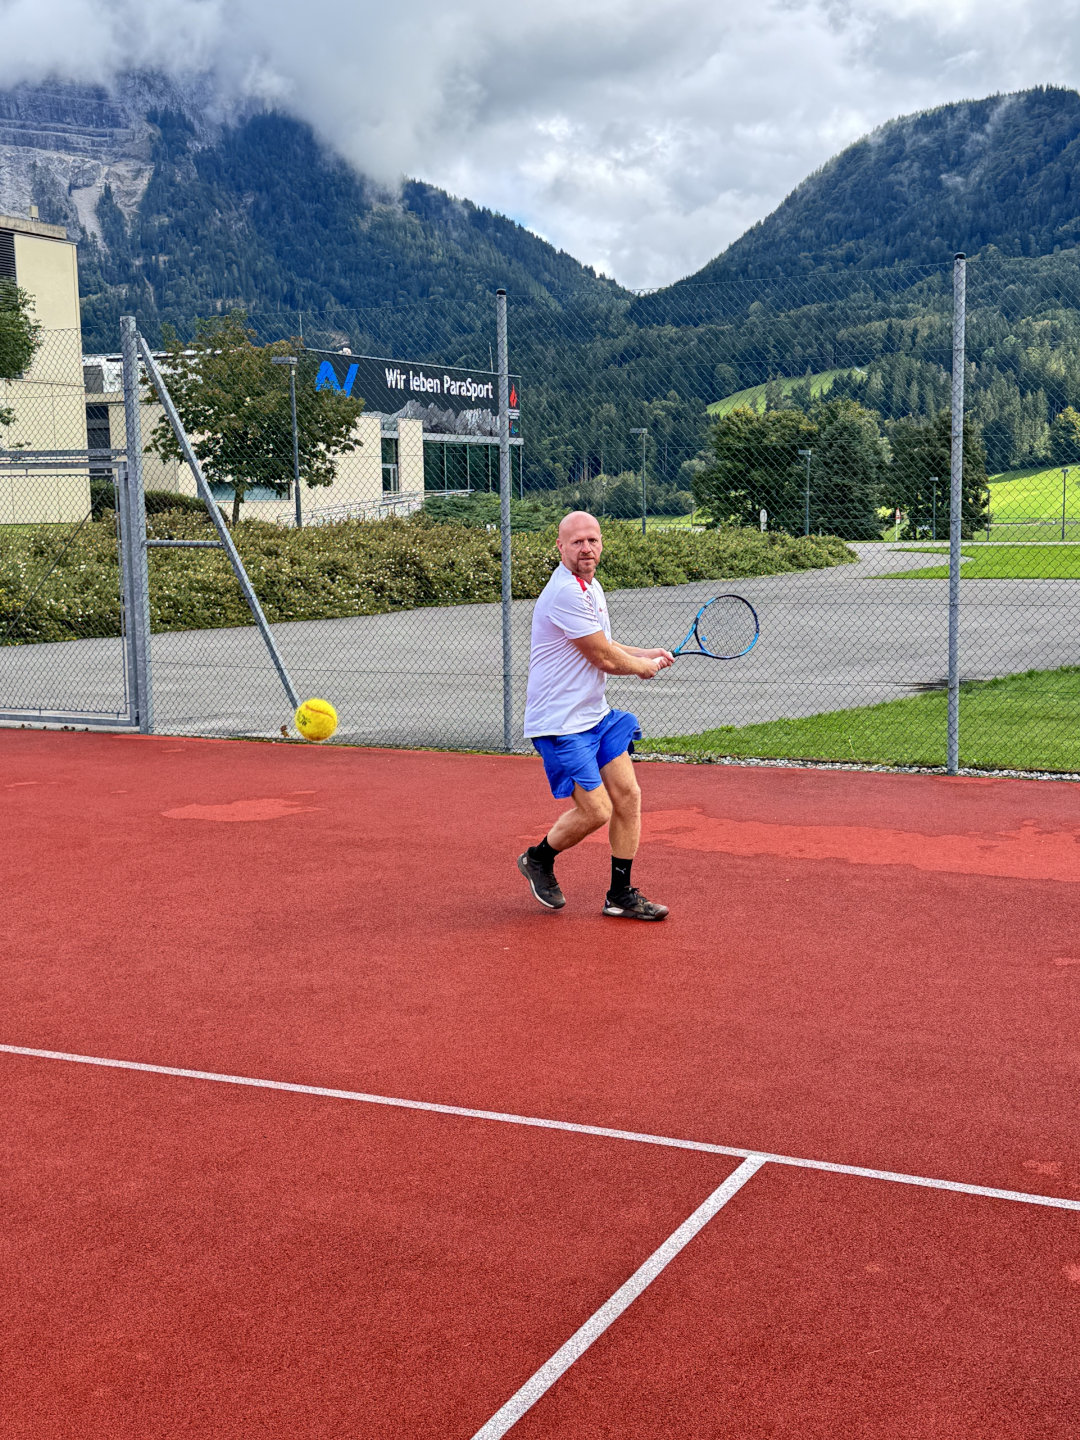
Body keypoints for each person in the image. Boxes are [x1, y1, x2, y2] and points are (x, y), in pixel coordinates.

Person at [517, 510, 674, 920]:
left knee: (628, 797)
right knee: (597, 810)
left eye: (593, 540)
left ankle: (619, 895)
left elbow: (604, 640)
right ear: (560, 546)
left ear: (601, 543)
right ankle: (538, 858)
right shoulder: (564, 592)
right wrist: (640, 668)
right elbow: (602, 656)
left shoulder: (591, 587)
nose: (586, 548)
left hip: (595, 716)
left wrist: (644, 653)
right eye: (577, 542)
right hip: (560, 724)